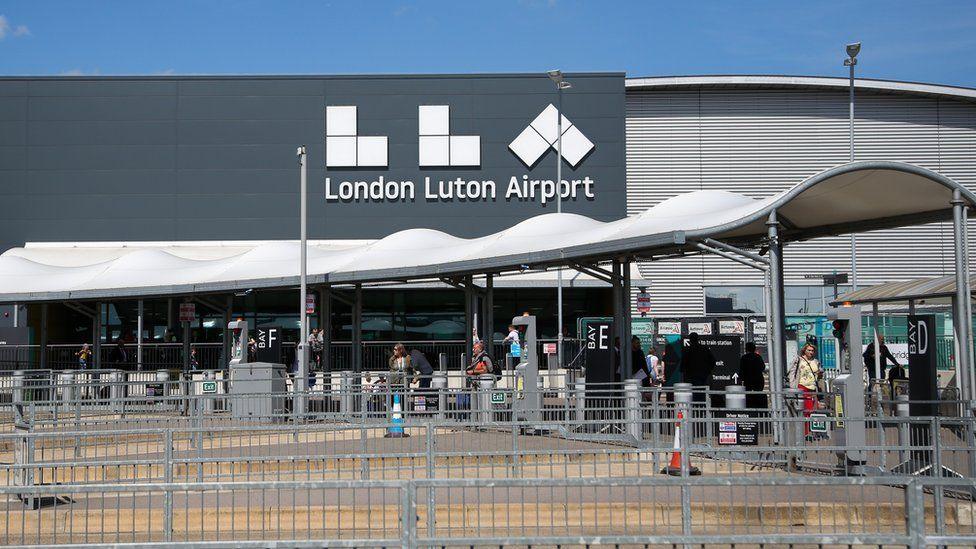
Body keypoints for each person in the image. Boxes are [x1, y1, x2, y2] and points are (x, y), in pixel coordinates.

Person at [789, 343, 822, 437]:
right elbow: (792, 372)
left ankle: (811, 432)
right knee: (804, 410)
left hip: (812, 388)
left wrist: (819, 374)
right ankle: (804, 433)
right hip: (802, 387)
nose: (811, 352)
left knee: (812, 410)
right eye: (809, 350)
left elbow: (819, 372)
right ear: (804, 350)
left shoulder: (816, 361)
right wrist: (793, 386)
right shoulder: (799, 360)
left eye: (812, 350)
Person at [679, 333, 716, 402]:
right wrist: (708, 370)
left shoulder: (688, 350)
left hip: (692, 376)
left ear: (690, 340)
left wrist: (683, 371)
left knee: (693, 394)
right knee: (703, 392)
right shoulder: (704, 348)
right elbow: (713, 360)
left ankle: (696, 408)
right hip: (703, 375)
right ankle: (702, 408)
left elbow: (683, 363)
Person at [738, 341, 767, 411]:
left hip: (748, 381)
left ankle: (750, 412)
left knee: (749, 396)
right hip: (758, 380)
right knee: (758, 395)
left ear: (746, 349)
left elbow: (741, 370)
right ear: (754, 349)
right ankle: (759, 412)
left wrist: (741, 378)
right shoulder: (758, 357)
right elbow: (763, 367)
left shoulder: (744, 358)